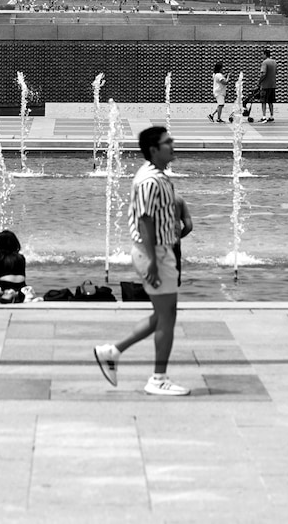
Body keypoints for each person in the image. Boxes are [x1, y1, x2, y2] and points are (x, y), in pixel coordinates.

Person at [94, 125, 189, 396]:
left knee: (163, 315)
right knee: (167, 318)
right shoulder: (150, 180)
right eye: (167, 142)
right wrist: (154, 262)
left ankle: (112, 351)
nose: (172, 145)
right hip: (154, 253)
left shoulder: (157, 175)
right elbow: (145, 221)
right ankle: (158, 379)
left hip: (159, 252)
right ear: (153, 149)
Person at [0, 229, 27, 301]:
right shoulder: (21, 257)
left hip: (4, 284)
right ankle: (13, 294)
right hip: (21, 284)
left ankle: (3, 293)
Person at [171, 190, 193, 288]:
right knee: (174, 282)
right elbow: (189, 226)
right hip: (174, 243)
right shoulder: (179, 199)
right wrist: (178, 237)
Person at [258, 49, 278, 123]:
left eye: (262, 54)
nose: (261, 56)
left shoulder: (264, 62)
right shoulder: (274, 62)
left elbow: (263, 74)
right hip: (273, 85)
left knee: (263, 101)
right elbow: (276, 72)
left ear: (265, 54)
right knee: (270, 101)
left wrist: (259, 82)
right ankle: (271, 116)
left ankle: (264, 117)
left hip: (265, 85)